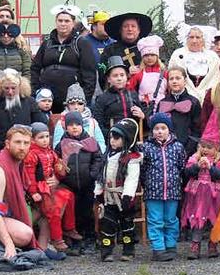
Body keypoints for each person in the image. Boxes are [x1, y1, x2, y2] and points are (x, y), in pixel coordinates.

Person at [0, 126, 37, 261]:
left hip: (13, 213)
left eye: (26, 143)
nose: (22, 147)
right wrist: (9, 244)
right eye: (18, 142)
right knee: (25, 235)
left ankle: (40, 247)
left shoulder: (19, 162)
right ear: (7, 144)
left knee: (48, 208)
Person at [31, 3, 97, 112]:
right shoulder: (47, 43)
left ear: (73, 23)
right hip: (48, 98)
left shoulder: (81, 43)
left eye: (67, 21)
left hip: (72, 99)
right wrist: (35, 91)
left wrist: (84, 99)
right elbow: (35, 68)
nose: (63, 24)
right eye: (60, 20)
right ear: (56, 22)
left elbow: (89, 74)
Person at [55, 110, 103, 256]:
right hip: (69, 185)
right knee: (72, 215)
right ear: (65, 127)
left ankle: (89, 239)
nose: (74, 127)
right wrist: (62, 175)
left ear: (83, 125)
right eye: (71, 125)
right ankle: (75, 242)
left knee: (87, 213)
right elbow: (56, 161)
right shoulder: (61, 144)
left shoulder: (91, 142)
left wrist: (92, 174)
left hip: (87, 183)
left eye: (77, 124)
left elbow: (98, 159)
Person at [140, 112, 187, 261]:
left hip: (172, 191)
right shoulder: (146, 148)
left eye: (163, 128)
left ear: (169, 130)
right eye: (156, 128)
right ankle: (158, 248)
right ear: (152, 131)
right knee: (155, 220)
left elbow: (181, 166)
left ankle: (171, 245)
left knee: (171, 219)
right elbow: (142, 168)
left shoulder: (177, 147)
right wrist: (146, 183)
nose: (159, 131)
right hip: (153, 192)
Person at [181, 116, 220, 260]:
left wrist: (211, 167)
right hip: (197, 197)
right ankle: (195, 245)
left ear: (217, 148)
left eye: (209, 147)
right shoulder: (194, 158)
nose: (205, 150)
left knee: (213, 219)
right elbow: (187, 173)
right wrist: (196, 166)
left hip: (215, 196)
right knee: (197, 219)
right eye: (203, 146)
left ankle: (213, 244)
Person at [94, 118, 142, 262]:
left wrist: (127, 196)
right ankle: (106, 251)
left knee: (127, 225)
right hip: (109, 197)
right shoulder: (106, 156)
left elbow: (132, 178)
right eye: (111, 137)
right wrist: (98, 193)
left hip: (123, 197)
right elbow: (101, 176)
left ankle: (128, 250)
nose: (112, 141)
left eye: (116, 138)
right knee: (107, 224)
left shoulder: (131, 159)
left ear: (126, 139)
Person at [24, 121, 73, 255]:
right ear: (33, 139)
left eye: (46, 136)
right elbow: (29, 176)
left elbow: (58, 169)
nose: (45, 140)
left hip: (50, 187)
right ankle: (56, 239)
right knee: (52, 210)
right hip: (40, 189)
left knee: (68, 195)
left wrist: (59, 171)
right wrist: (33, 192)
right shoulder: (32, 154)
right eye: (41, 137)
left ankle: (69, 228)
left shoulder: (50, 152)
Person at [0, 69, 35, 153]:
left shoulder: (30, 102)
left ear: (20, 86)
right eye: (6, 88)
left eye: (13, 88)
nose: (10, 92)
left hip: (24, 150)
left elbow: (38, 125)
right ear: (1, 87)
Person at [156, 66, 202, 157]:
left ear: (185, 81)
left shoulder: (193, 102)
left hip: (186, 150)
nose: (174, 81)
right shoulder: (162, 103)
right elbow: (157, 128)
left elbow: (197, 130)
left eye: (178, 78)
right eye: (171, 79)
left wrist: (187, 150)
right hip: (164, 152)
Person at [92, 56, 146, 132]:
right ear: (109, 79)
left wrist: (142, 116)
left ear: (127, 77)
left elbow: (144, 121)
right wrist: (109, 136)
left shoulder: (133, 94)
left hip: (133, 136)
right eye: (115, 76)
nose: (119, 78)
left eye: (122, 75)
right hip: (112, 138)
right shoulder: (102, 98)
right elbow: (98, 123)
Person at [100, 11, 152, 86]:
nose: (130, 29)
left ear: (139, 30)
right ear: (120, 30)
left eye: (133, 26)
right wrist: (126, 74)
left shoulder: (147, 48)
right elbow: (103, 76)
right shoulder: (110, 50)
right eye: (125, 26)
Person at [169, 26, 220, 101]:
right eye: (191, 37)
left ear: (203, 39)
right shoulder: (177, 55)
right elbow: (171, 76)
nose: (194, 41)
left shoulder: (212, 56)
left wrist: (207, 93)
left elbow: (216, 78)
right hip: (183, 99)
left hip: (208, 99)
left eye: (198, 37)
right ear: (186, 38)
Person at [0, 20, 32, 93]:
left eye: (10, 33)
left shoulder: (22, 50)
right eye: (2, 33)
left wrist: (19, 88)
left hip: (18, 94)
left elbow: (28, 71)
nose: (6, 36)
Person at [51, 84, 106, 149]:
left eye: (80, 103)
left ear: (84, 105)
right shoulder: (61, 123)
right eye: (72, 104)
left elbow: (101, 144)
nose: (76, 107)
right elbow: (56, 147)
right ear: (67, 105)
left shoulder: (92, 122)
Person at [127, 35, 167, 110]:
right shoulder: (139, 73)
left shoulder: (164, 73)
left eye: (152, 55)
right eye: (146, 55)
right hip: (145, 107)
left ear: (157, 56)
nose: (149, 58)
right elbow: (128, 89)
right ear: (142, 57)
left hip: (163, 107)